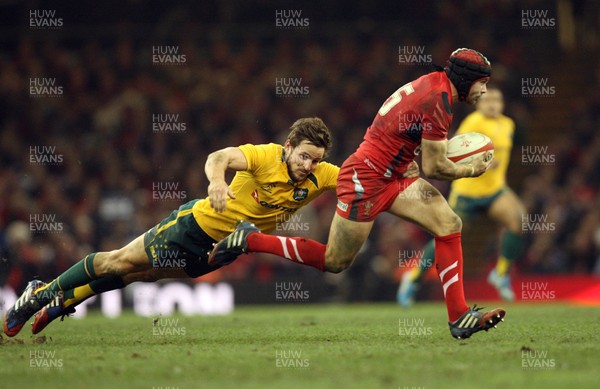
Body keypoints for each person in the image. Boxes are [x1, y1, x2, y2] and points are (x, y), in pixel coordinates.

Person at [210, 48, 506, 339]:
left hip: (395, 175)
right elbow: (435, 167)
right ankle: (249, 239)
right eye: (483, 82)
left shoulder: (435, 85)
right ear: (467, 80)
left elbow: (400, 130)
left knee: (449, 224)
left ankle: (460, 317)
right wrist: (470, 170)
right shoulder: (438, 100)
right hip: (365, 178)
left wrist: (404, 158)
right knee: (335, 261)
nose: (485, 90)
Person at [3, 117, 346, 336]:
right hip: (193, 228)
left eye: (315, 159)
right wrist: (216, 182)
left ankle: (67, 299)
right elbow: (219, 158)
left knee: (142, 275)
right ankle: (41, 293)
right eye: (303, 156)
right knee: (118, 261)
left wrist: (399, 173)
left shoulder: (321, 174)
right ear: (288, 147)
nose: (308, 165)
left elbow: (357, 177)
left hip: (219, 251)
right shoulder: (266, 156)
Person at [397, 87, 525, 306]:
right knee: (446, 235)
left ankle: (500, 274)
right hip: (467, 192)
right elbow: (452, 152)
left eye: (497, 99)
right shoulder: (473, 123)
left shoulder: (508, 125)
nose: (492, 104)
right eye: (487, 100)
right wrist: (477, 161)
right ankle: (415, 277)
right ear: (479, 104)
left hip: (494, 190)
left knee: (518, 220)